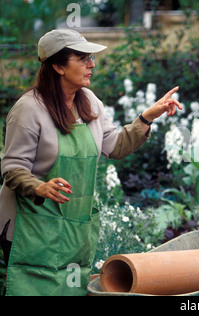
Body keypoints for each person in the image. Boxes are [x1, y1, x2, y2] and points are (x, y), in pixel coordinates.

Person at [0, 29, 182, 296]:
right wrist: (39, 187)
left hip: (74, 225)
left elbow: (116, 145)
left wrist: (146, 118)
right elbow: (12, 168)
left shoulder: (89, 102)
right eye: (82, 58)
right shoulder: (29, 110)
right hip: (32, 225)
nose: (92, 64)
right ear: (58, 66)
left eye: (91, 58)